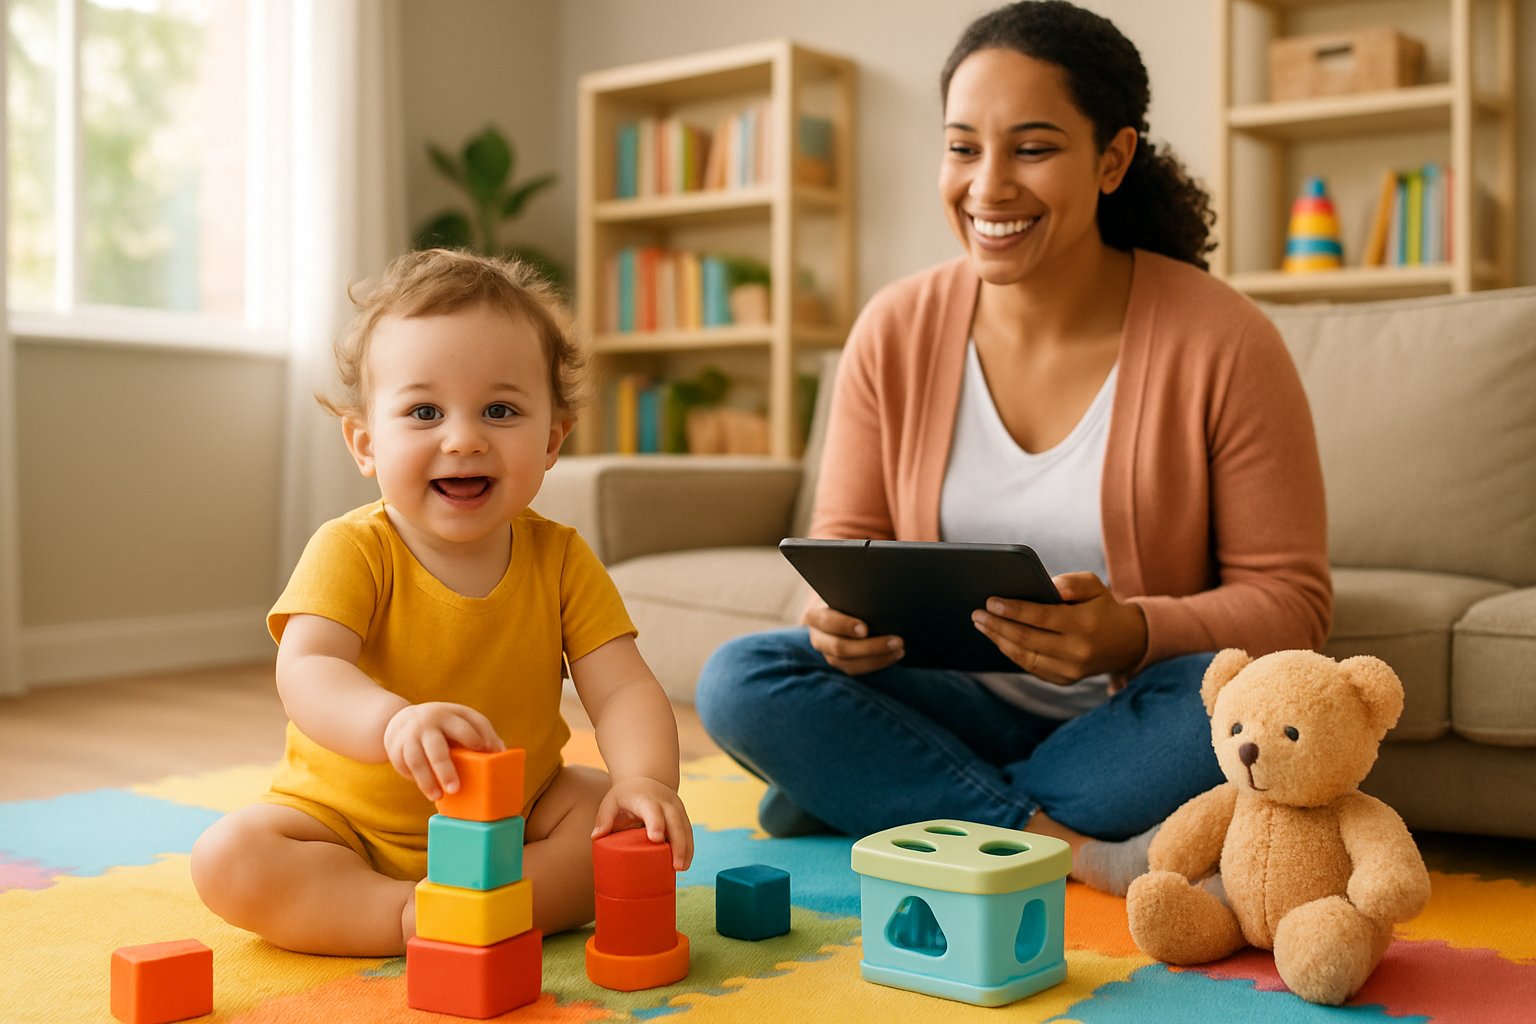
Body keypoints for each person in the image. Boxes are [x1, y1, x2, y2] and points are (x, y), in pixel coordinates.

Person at [695, 0, 1330, 895]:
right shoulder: (895, 329)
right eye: (961, 147)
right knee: (742, 677)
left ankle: (880, 794)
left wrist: (1131, 631)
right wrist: (832, 625)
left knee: (1246, 705)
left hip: (1129, 717)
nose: (987, 186)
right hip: (947, 697)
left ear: (1112, 159)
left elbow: (1294, 606)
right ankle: (1072, 849)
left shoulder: (1224, 340)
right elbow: (839, 546)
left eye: (1032, 149)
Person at [192, 249, 693, 956]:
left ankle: (485, 904)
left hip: (514, 823)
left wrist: (646, 782)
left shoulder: (562, 559)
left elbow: (623, 690)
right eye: (424, 411)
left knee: (615, 825)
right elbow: (307, 671)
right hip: (348, 830)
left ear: (552, 440)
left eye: (500, 409)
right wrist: (390, 723)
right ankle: (403, 916)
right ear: (366, 443)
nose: (464, 438)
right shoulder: (352, 549)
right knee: (229, 857)